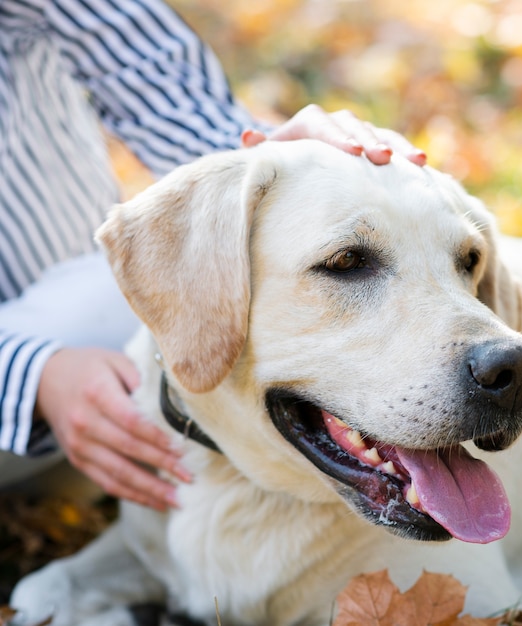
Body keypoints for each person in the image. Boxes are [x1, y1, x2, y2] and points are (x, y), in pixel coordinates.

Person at [0, 0, 426, 511]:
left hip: (81, 304)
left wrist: (270, 163)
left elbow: (141, 62)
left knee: (174, 300)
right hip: (47, 355)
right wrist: (33, 374)